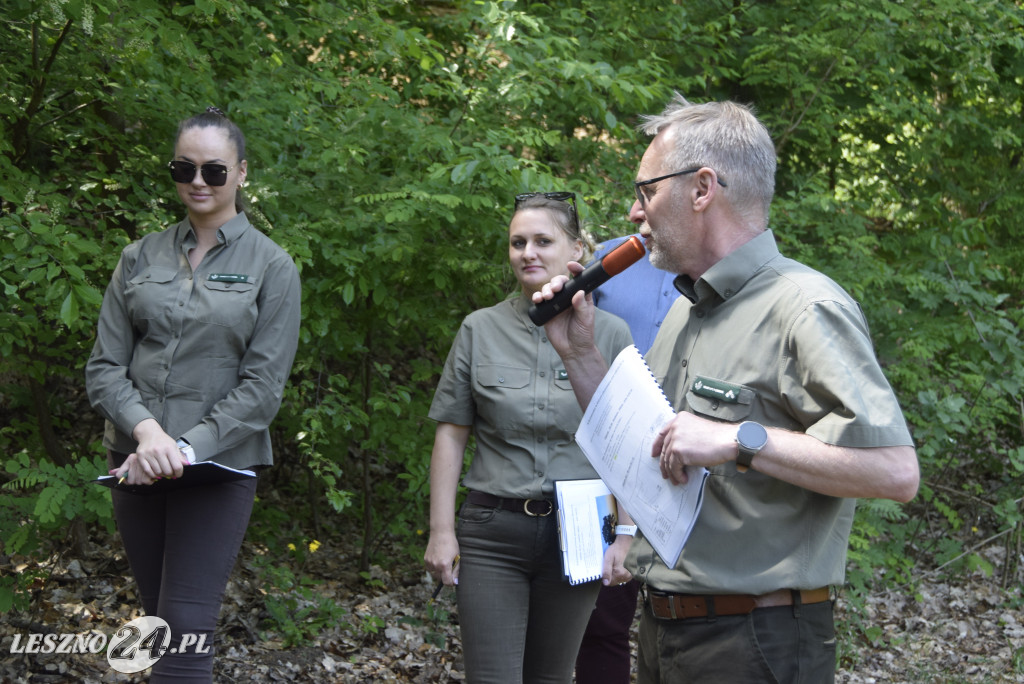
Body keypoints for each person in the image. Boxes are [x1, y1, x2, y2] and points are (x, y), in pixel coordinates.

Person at [533, 95, 920, 683]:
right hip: (665, 628)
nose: (635, 215)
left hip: (756, 640)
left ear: (702, 187)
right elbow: (642, 449)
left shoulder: (804, 307)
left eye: (645, 193)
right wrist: (579, 351)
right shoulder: (688, 311)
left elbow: (894, 471)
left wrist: (737, 438)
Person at [85, 107, 301, 681]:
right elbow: (105, 366)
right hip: (134, 458)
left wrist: (184, 446)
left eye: (214, 170)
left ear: (242, 173)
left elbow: (263, 388)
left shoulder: (273, 267)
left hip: (218, 468)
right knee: (159, 620)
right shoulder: (139, 257)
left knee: (183, 626)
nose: (198, 182)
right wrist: (147, 433)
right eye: (185, 168)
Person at [424, 192, 635, 684]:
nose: (528, 253)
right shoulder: (480, 329)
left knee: (553, 677)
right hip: (493, 532)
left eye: (543, 241)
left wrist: (625, 534)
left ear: (576, 249)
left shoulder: (612, 334)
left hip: (578, 533)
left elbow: (624, 444)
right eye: (518, 243)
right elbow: (451, 435)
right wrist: (441, 531)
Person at [575, 235, 679, 683]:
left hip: (692, 462)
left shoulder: (719, 272)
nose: (639, 213)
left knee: (681, 622)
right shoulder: (607, 261)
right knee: (603, 619)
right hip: (612, 464)